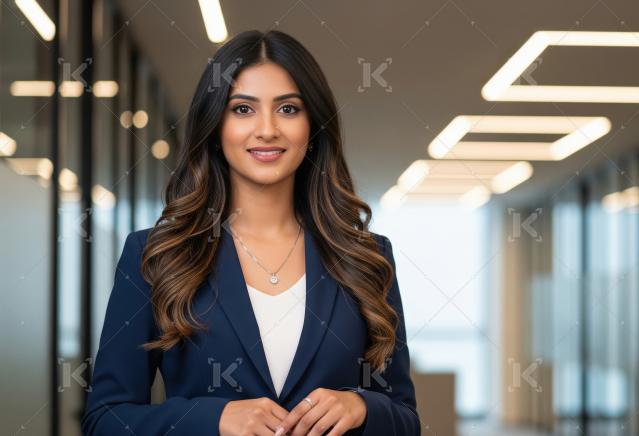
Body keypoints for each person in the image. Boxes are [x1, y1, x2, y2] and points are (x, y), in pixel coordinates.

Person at [81, 29, 419, 436]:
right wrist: (213, 418)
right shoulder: (155, 255)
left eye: (288, 109)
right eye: (243, 109)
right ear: (216, 125)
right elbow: (106, 420)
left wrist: (362, 406)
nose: (267, 129)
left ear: (312, 125)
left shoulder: (367, 257)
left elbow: (405, 417)